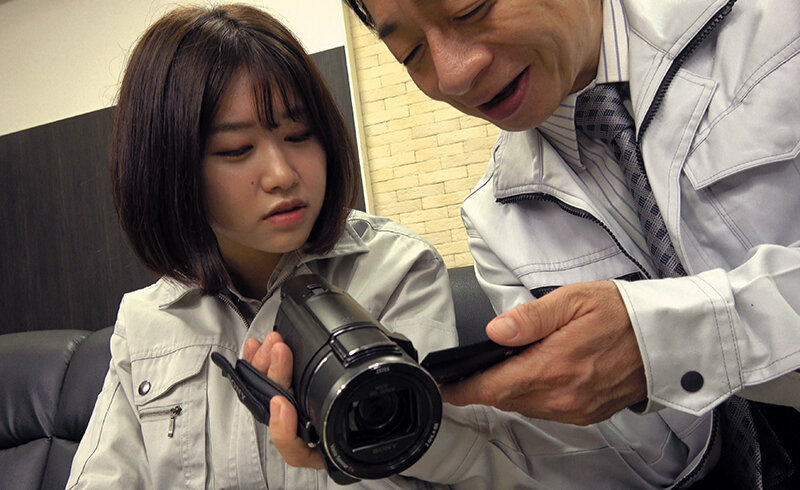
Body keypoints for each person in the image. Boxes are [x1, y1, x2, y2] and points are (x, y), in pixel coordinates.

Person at [66, 4, 724, 489]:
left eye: (299, 136)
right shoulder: (146, 323)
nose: (282, 173)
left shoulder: (394, 267)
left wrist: (347, 440)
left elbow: (448, 465)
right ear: (170, 169)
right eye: (237, 150)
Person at [340, 0, 800, 487]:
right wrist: (417, 439)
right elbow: (641, 463)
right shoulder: (494, 220)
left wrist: (671, 340)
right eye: (411, 52)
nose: (453, 75)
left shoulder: (776, 25)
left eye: (470, 7)